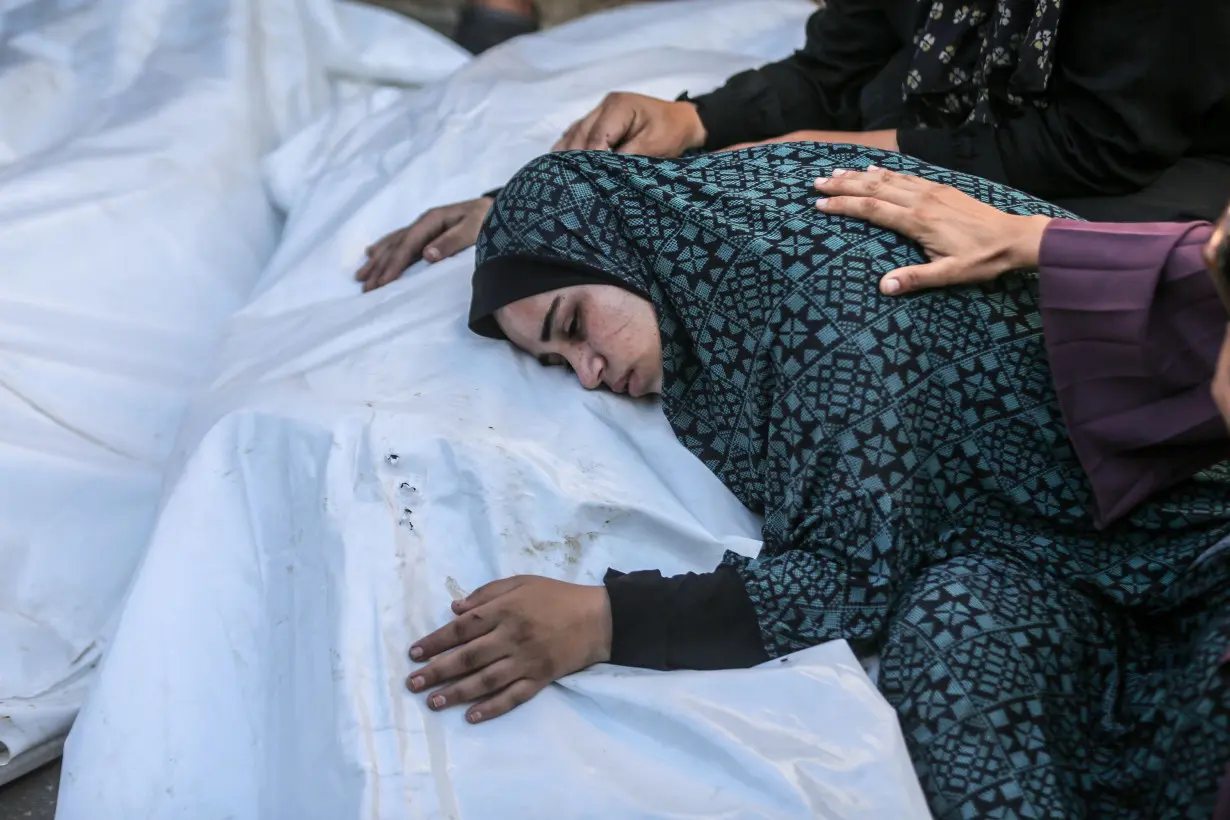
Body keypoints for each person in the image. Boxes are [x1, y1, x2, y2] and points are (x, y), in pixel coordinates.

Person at [400, 143, 1230, 818]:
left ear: (617, 243)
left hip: (1183, 542)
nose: (585, 373)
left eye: (575, 327)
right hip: (1030, 543)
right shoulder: (711, 226)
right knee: (954, 647)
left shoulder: (825, 321)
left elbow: (856, 578)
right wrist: (505, 207)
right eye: (554, 361)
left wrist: (603, 620)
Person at [354, 0, 1230, 292]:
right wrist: (696, 124)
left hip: (1158, 177)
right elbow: (837, 63)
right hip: (999, 134)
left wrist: (839, 147)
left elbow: (1104, 143)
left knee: (834, 239)